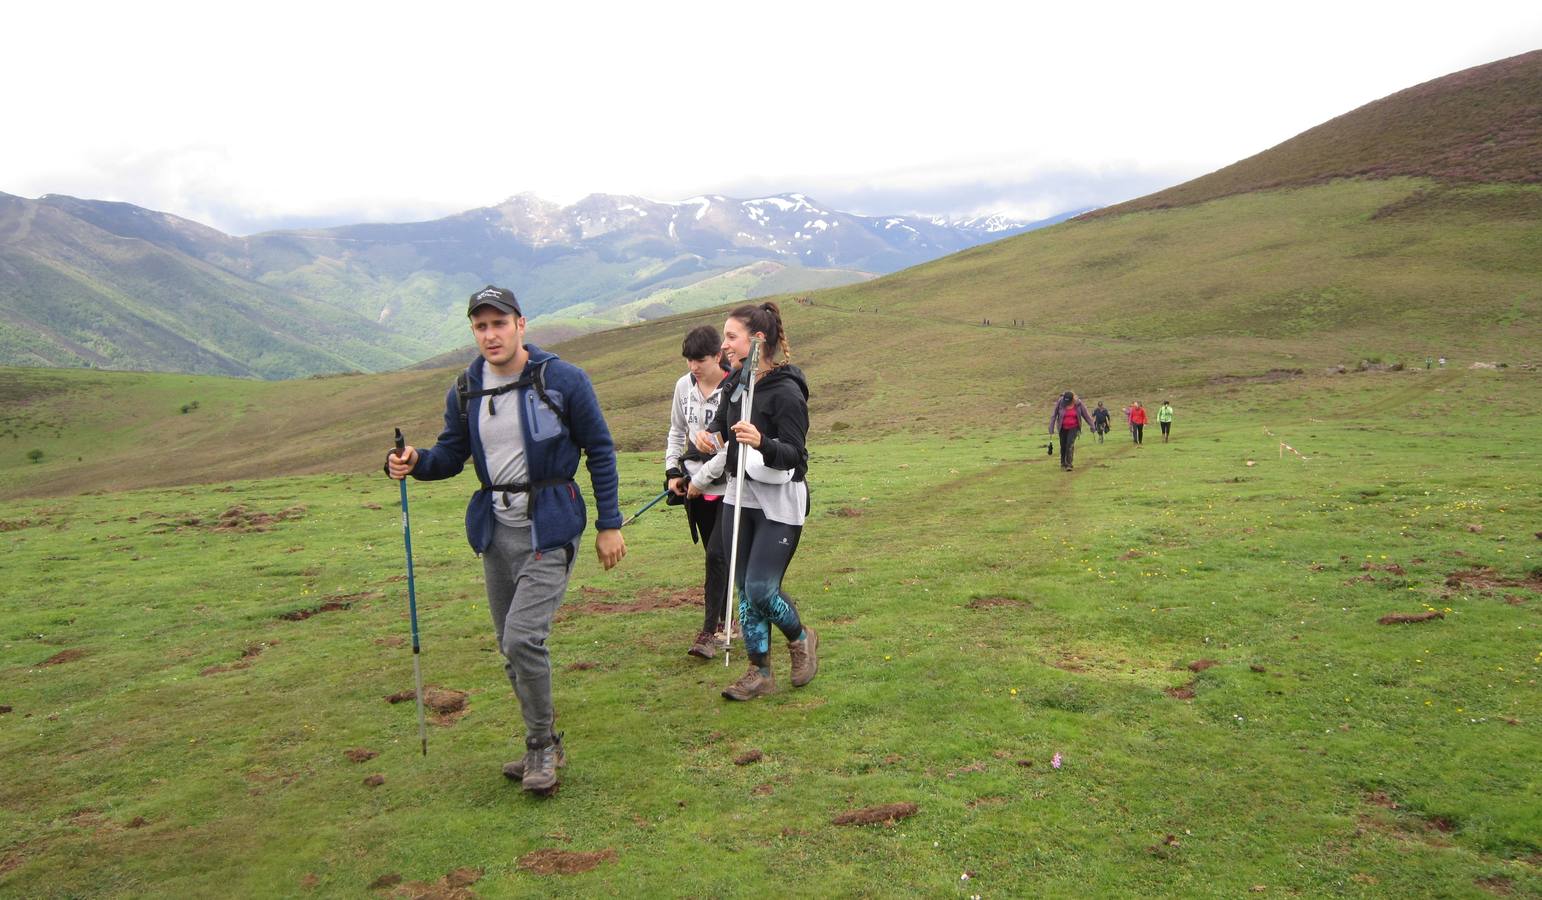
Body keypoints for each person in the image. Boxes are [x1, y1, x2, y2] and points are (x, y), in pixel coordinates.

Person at [386, 285, 626, 796]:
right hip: (496, 531)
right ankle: (547, 740)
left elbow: (600, 450)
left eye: (499, 323)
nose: (490, 334)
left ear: (522, 324)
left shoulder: (562, 379)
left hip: (553, 525)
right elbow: (453, 454)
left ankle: (541, 746)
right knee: (508, 646)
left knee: (522, 638)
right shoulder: (466, 387)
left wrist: (610, 523)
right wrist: (416, 462)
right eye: (481, 326)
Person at [693, 301, 819, 701]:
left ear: (757, 339)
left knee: (762, 589)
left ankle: (801, 638)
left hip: (779, 501)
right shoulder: (736, 382)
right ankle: (759, 671)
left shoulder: (786, 392)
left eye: (731, 337)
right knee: (744, 592)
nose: (724, 345)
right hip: (737, 495)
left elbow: (797, 457)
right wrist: (710, 435)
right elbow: (722, 418)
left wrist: (762, 441)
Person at [664, 325, 730, 659]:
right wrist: (673, 471)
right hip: (695, 489)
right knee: (714, 556)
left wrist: (700, 480)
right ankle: (725, 618)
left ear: (718, 356)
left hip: (730, 486)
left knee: (719, 555)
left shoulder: (735, 389)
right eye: (689, 360)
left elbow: (730, 447)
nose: (693, 366)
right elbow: (677, 431)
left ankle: (709, 633)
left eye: (700, 360)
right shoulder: (682, 386)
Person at [1048, 391, 1093, 471]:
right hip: (1062, 427)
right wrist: (1051, 427)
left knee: (1070, 444)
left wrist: (1092, 425)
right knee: (1063, 445)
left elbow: (1086, 415)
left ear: (1073, 400)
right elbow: (1054, 415)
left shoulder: (1078, 404)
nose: (1066, 403)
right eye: (1065, 401)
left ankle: (1069, 464)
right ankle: (1063, 463)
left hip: (1074, 427)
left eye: (1068, 402)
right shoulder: (1060, 402)